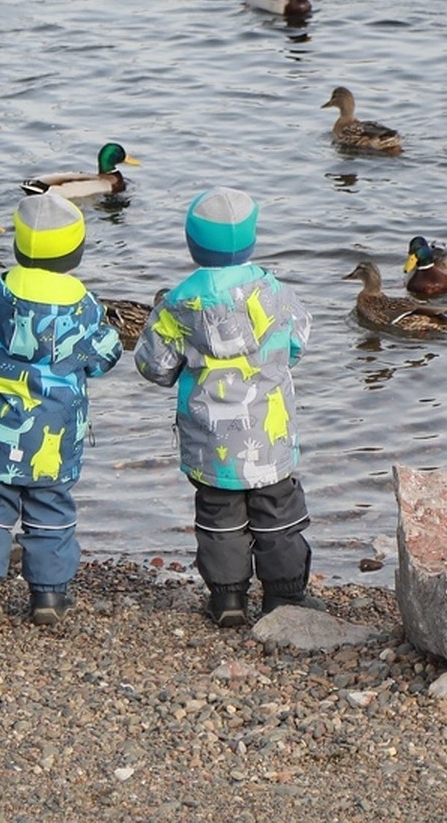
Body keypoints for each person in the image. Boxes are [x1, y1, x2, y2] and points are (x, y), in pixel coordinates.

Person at [0, 194, 123, 628]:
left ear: (18, 248)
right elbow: (105, 356)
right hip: (57, 435)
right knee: (52, 509)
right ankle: (49, 597)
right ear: (76, 253)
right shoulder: (85, 306)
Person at [133, 187, 316, 627]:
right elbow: (299, 341)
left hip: (209, 439)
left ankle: (228, 600)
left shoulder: (177, 304)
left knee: (219, 517)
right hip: (268, 434)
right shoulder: (274, 292)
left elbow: (154, 367)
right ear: (251, 241)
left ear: (192, 244)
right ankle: (284, 597)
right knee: (279, 512)